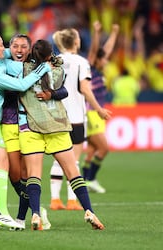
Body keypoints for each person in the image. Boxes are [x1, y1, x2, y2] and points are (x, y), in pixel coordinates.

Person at [0, 29, 51, 230]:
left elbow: (12, 54)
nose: (4, 48)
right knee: (3, 164)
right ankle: (3, 214)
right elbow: (21, 85)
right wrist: (43, 69)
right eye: (0, 45)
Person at [18, 39, 104, 230]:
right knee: (73, 171)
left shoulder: (22, 69)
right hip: (57, 124)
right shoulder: (57, 71)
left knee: (34, 175)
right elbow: (63, 90)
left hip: (32, 126)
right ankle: (89, 210)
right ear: (50, 55)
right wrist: (52, 94)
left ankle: (36, 215)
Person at [49, 28, 112, 211]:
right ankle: (71, 201)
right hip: (76, 117)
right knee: (73, 160)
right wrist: (99, 109)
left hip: (56, 116)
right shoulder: (81, 62)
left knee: (58, 158)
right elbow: (85, 88)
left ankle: (54, 200)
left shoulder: (55, 61)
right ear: (76, 42)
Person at [82, 22, 120, 193]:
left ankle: (86, 180)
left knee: (92, 150)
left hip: (95, 113)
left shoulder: (99, 69)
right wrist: (96, 32)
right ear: (97, 59)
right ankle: (90, 179)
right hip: (92, 112)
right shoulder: (91, 69)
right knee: (104, 148)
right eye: (103, 58)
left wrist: (114, 32)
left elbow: (107, 49)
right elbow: (95, 50)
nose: (106, 60)